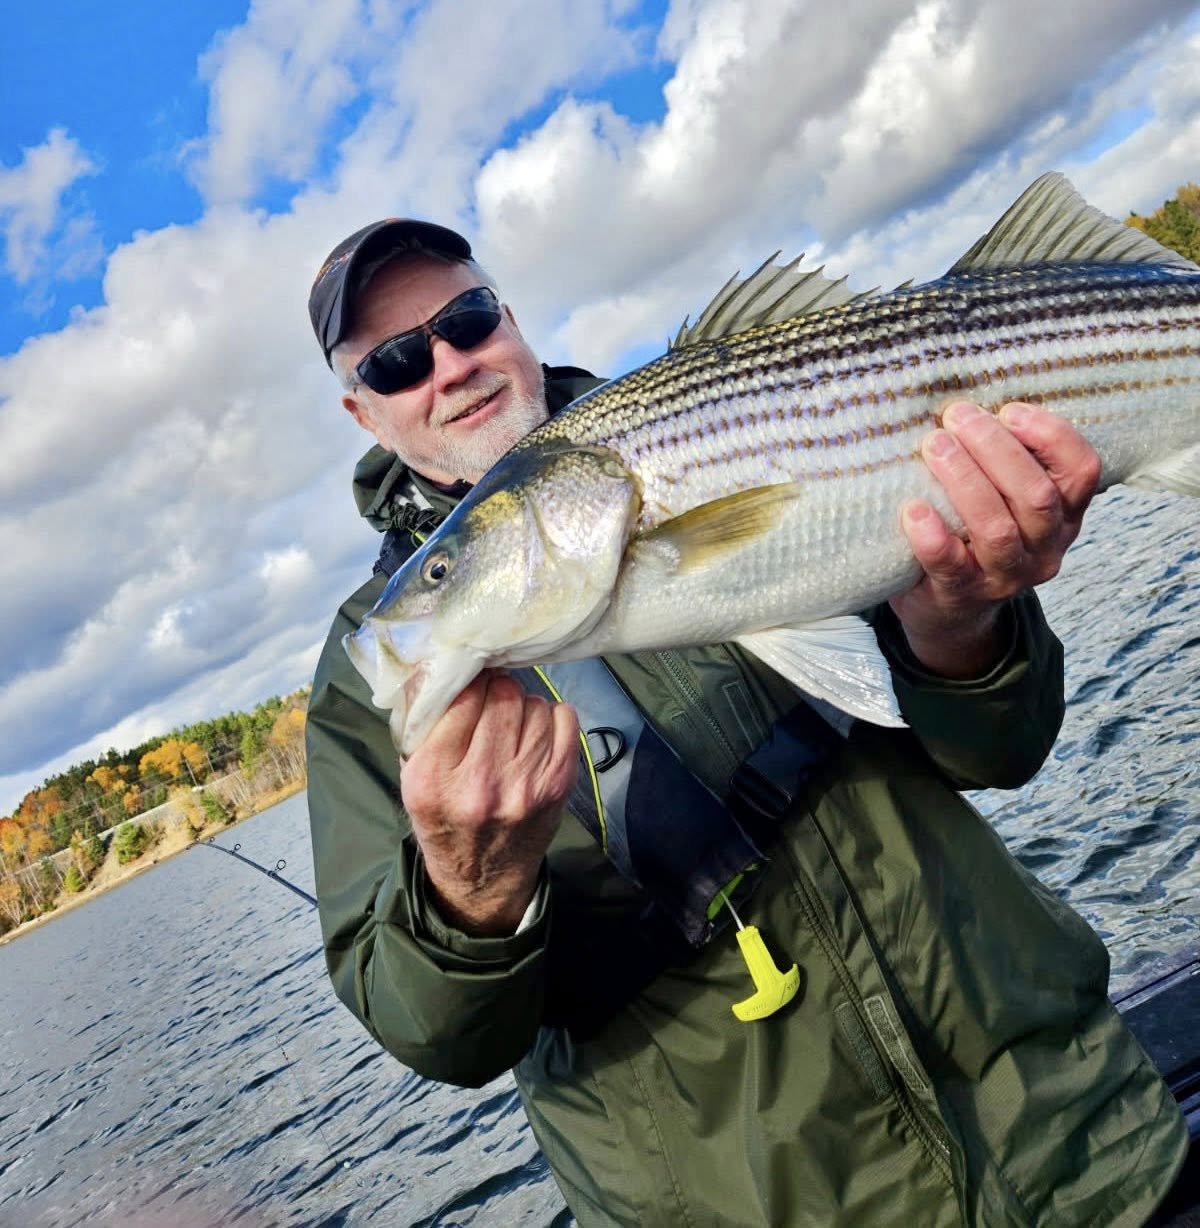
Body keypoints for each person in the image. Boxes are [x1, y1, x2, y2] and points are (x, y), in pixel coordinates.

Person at [304, 219, 1188, 1227]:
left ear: (506, 317)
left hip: (1072, 1141)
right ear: (363, 411)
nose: (450, 364)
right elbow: (436, 1034)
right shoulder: (365, 681)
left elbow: (1007, 749)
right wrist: (470, 891)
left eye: (466, 318)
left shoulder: (686, 423)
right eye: (397, 361)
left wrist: (963, 624)